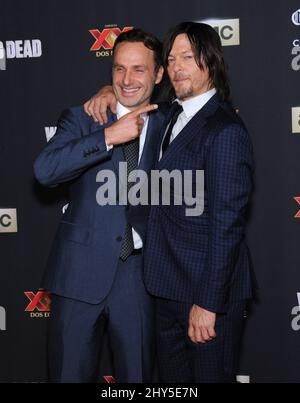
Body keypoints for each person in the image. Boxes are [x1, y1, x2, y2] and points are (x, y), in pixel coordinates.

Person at [84, 22, 255, 383]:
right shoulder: (167, 114)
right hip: (166, 289)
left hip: (206, 295)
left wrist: (208, 304)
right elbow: (128, 94)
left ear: (211, 61)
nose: (177, 67)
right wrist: (106, 91)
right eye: (172, 58)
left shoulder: (224, 129)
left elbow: (227, 225)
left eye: (188, 58)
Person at [34, 29, 164, 383]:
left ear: (158, 74)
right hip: (78, 275)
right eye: (119, 69)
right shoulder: (83, 118)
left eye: (139, 69)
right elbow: (45, 171)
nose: (127, 80)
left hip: (140, 280)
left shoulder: (171, 125)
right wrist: (107, 136)